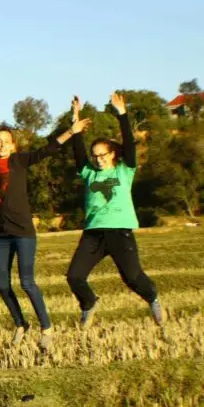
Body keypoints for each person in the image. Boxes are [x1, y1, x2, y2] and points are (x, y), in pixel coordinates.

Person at [0, 112, 89, 349]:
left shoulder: (20, 161)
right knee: (3, 286)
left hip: (23, 232)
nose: (2, 145)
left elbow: (47, 150)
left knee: (27, 282)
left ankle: (46, 328)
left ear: (13, 145)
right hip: (1, 234)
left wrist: (71, 132)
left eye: (6, 141)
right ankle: (20, 324)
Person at [67, 93, 164, 328]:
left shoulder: (124, 170)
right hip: (93, 234)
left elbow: (129, 145)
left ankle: (153, 299)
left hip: (120, 230)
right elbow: (77, 151)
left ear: (112, 154)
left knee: (132, 278)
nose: (99, 159)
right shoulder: (89, 172)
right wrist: (75, 122)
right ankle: (89, 303)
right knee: (74, 276)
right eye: (95, 155)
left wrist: (122, 113)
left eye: (103, 154)